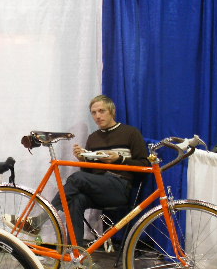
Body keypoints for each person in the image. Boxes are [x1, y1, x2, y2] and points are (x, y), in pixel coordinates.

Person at [14, 95, 148, 247]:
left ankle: (39, 221)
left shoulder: (130, 133)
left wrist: (119, 159)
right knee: (75, 200)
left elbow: (145, 165)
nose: (97, 116)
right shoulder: (93, 138)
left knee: (76, 178)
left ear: (112, 111)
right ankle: (75, 253)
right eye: (94, 113)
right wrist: (83, 159)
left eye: (101, 111)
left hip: (119, 186)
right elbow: (89, 173)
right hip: (99, 188)